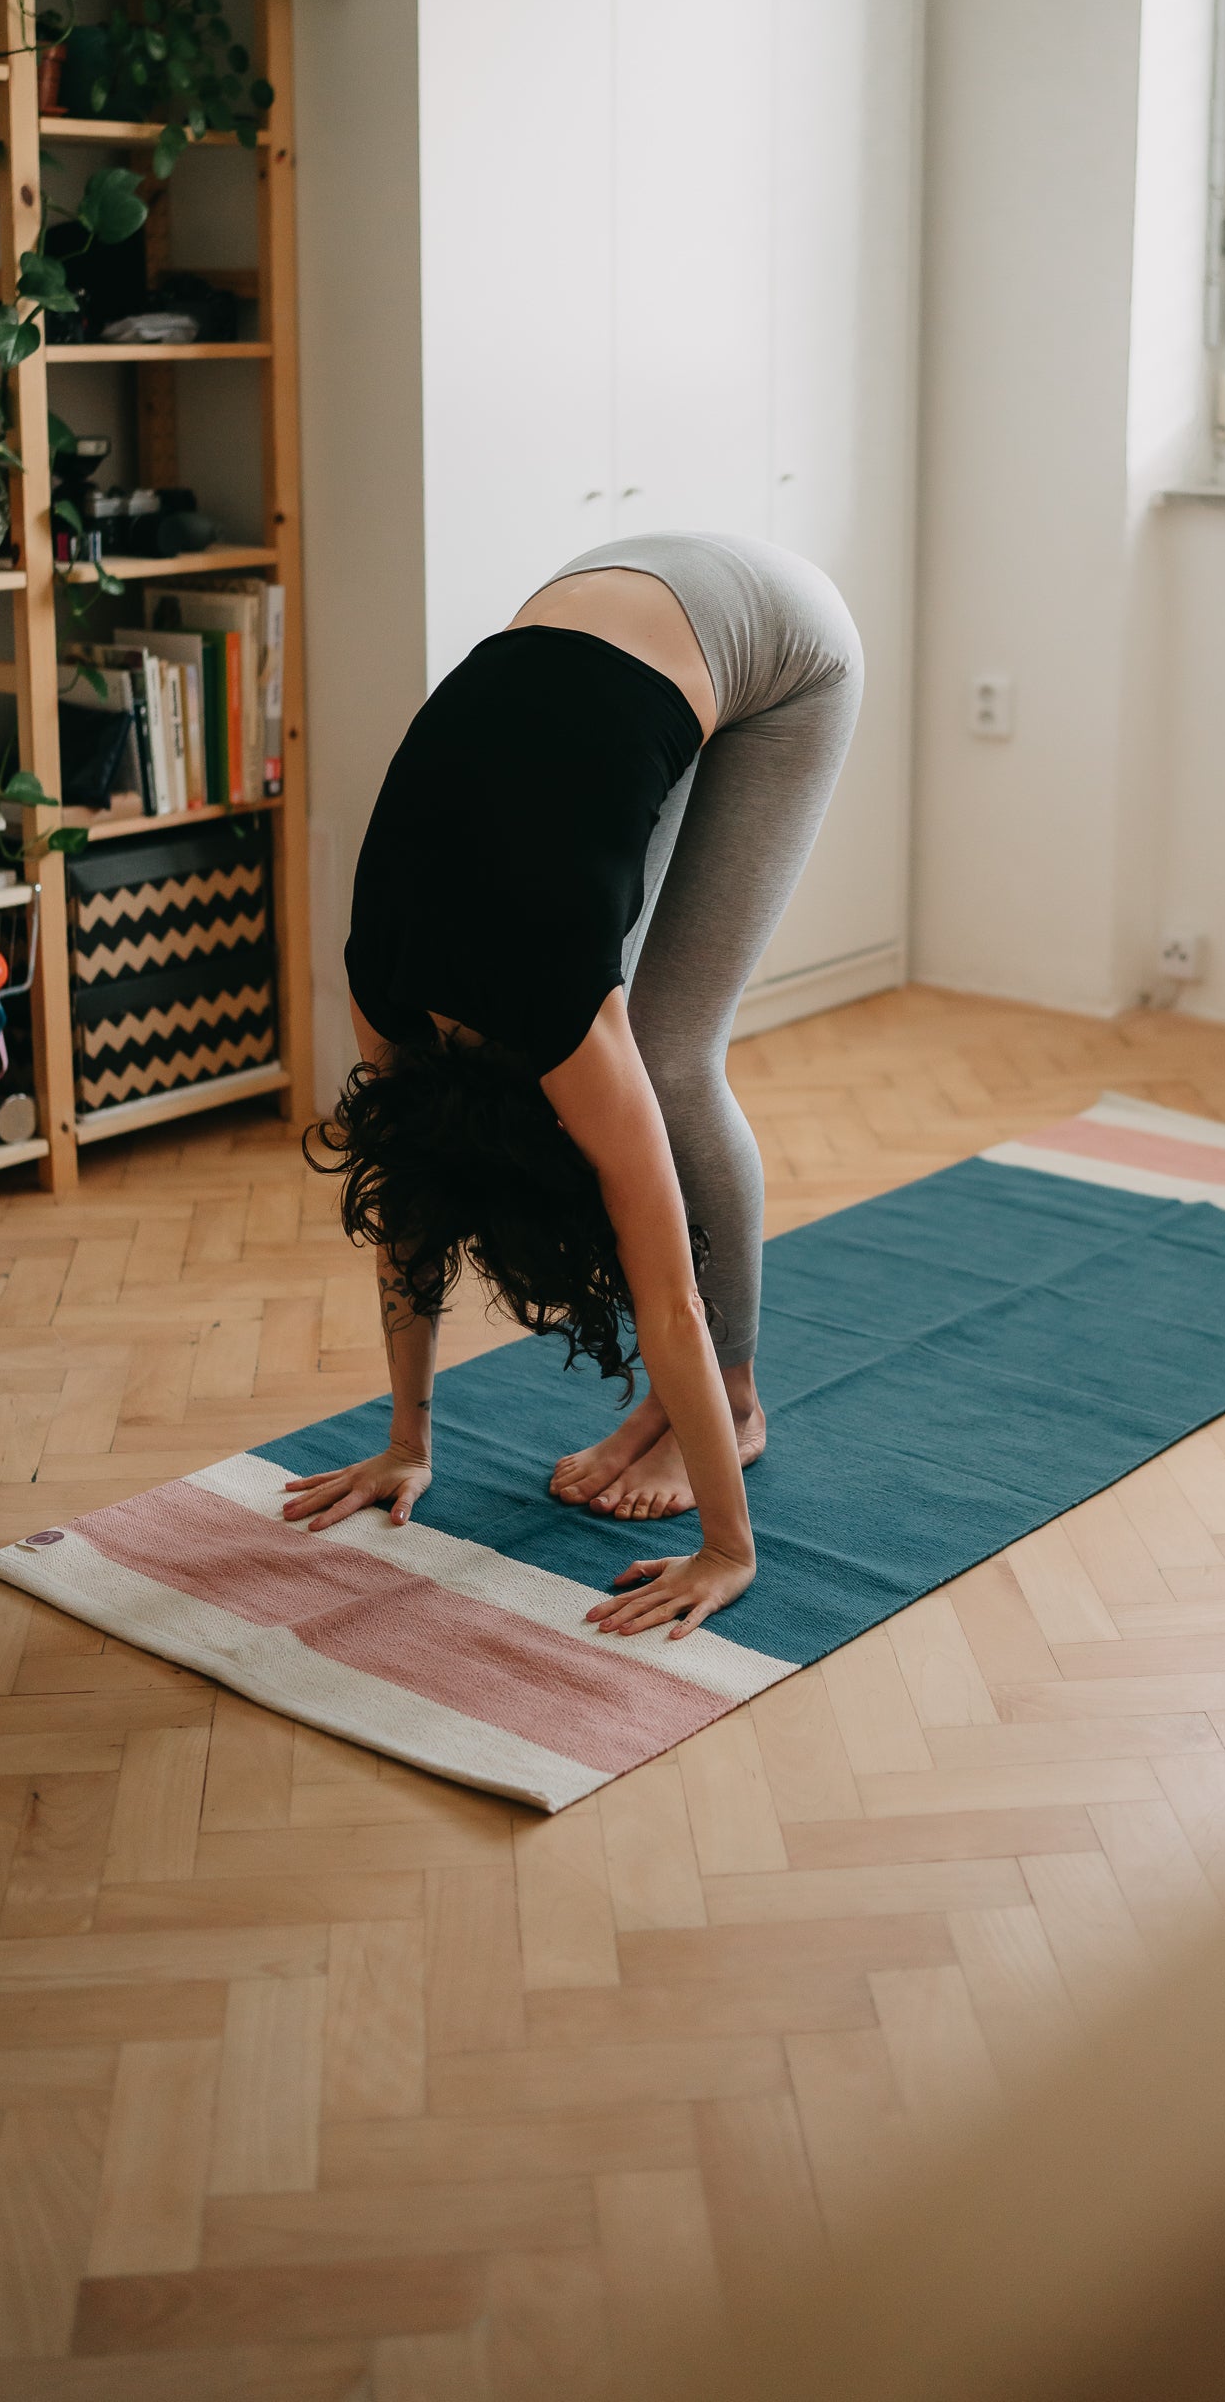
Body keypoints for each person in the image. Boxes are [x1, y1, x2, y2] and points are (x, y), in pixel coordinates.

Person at [293, 532, 862, 1642]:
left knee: (673, 1053)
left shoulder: (559, 1022)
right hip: (626, 587)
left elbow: (667, 1295)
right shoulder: (385, 982)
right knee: (638, 1045)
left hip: (781, 637)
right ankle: (672, 1411)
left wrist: (727, 1553)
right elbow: (410, 1203)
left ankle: (732, 1407)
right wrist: (406, 1442)